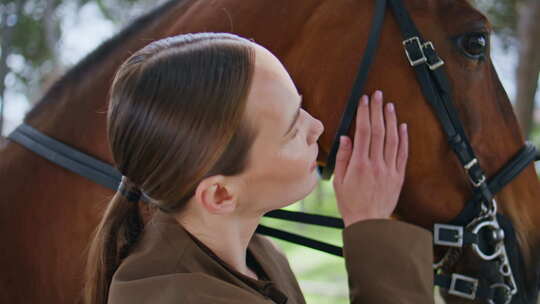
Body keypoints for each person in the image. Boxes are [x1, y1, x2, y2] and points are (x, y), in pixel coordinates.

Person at [82, 32, 434, 304]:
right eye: (292, 128)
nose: (317, 128)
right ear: (220, 194)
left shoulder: (253, 254)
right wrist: (371, 230)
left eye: (300, 105)